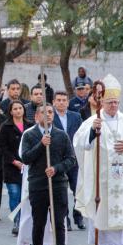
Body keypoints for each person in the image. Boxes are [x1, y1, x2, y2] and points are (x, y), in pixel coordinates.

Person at [74, 74, 123, 245]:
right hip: (102, 174)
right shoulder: (94, 121)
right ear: (102, 103)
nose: (113, 106)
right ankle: (104, 242)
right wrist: (92, 131)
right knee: (103, 206)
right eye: (110, 103)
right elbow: (80, 143)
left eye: (116, 102)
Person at [21, 105, 76, 245]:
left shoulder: (61, 135)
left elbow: (71, 159)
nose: (48, 115)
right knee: (39, 222)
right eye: (44, 112)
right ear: (37, 116)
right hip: (38, 184)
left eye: (51, 112)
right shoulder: (30, 135)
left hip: (58, 183)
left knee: (59, 223)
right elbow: (26, 157)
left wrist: (57, 168)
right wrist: (41, 144)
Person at [0, 100, 33, 235]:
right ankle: (17, 220)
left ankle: (26, 220)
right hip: (11, 166)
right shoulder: (5, 126)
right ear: (11, 111)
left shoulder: (30, 125)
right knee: (14, 194)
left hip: (28, 165)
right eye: (15, 109)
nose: (18, 111)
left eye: (20, 108)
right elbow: (2, 147)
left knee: (26, 195)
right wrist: (14, 161)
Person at [52, 91, 84, 230]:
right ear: (54, 102)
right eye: (58, 100)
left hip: (74, 159)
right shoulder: (50, 116)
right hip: (58, 160)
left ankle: (78, 215)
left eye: (64, 100)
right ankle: (65, 218)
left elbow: (81, 134)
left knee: (78, 188)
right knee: (61, 191)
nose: (61, 102)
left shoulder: (75, 116)